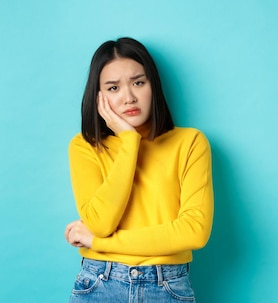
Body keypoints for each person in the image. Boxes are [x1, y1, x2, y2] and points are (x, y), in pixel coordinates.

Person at [64, 37, 213, 303]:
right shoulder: (85, 147)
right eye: (113, 88)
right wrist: (129, 141)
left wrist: (99, 243)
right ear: (98, 97)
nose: (129, 97)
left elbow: (194, 232)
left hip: (167, 286)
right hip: (100, 283)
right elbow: (101, 222)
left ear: (153, 86)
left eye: (138, 82)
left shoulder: (190, 142)